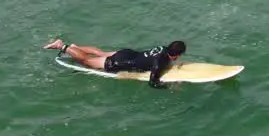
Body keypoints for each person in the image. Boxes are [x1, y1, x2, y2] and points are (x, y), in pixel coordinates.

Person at [45, 39, 186, 88]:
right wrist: (170, 86)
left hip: (128, 53)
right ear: (177, 55)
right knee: (87, 61)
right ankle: (62, 46)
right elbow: (152, 82)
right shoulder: (160, 61)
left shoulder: (162, 48)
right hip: (119, 62)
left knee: (100, 53)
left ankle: (75, 47)